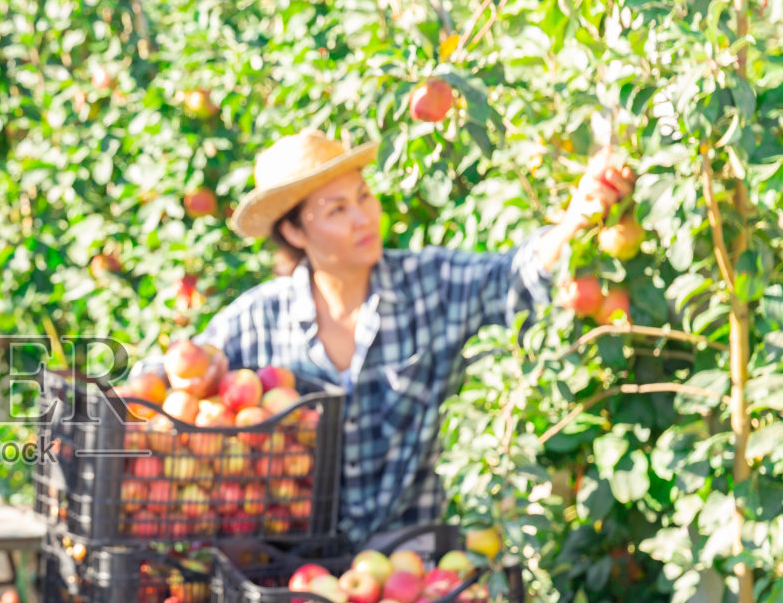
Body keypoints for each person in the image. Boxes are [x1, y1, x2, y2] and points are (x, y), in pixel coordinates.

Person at [186, 127, 632, 544]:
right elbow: (173, 381)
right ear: (293, 231)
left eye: (363, 197)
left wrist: (577, 218)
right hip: (288, 575)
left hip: (410, 574)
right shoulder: (258, 319)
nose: (363, 218)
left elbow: (515, 279)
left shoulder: (430, 286)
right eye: (338, 210)